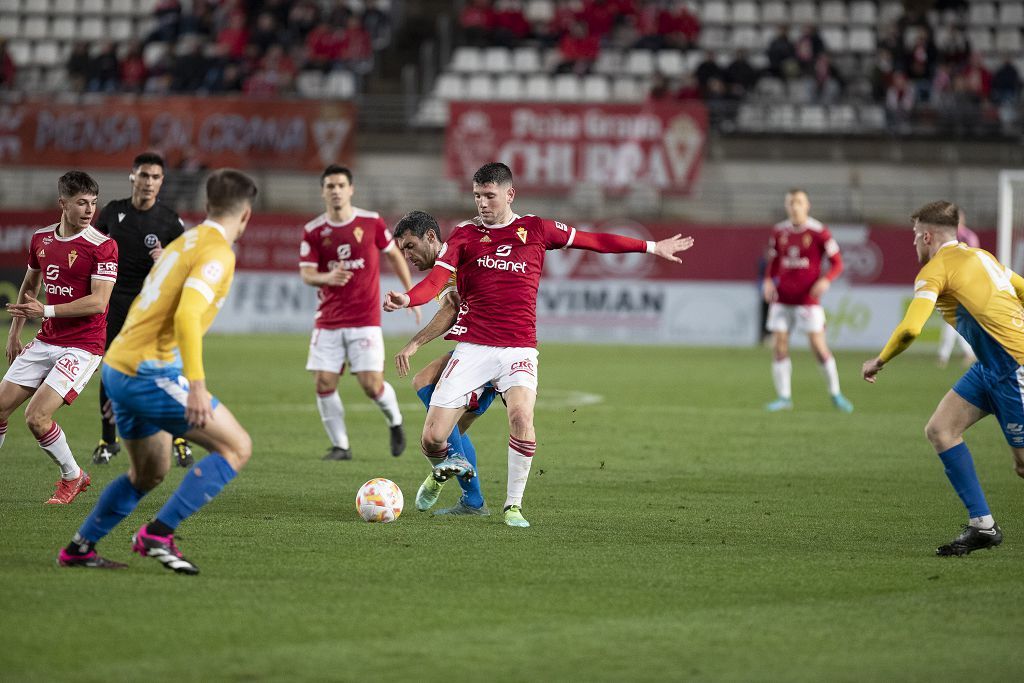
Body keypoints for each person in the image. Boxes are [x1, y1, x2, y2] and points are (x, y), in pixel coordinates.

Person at [383, 162, 694, 528]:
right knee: (433, 438)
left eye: (489, 195)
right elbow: (435, 282)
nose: (482, 203)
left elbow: (595, 241)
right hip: (473, 349)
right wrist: (407, 299)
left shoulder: (536, 229)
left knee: (521, 417)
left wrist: (651, 246)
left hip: (518, 348)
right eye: (477, 195)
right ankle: (452, 472)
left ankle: (512, 505)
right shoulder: (465, 235)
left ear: (509, 194)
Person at [57, 169, 258, 573]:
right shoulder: (217, 251)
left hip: (121, 366)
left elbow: (148, 301)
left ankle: (80, 548)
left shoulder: (187, 241)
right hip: (148, 371)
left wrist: (120, 382)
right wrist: (196, 387)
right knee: (236, 447)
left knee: (148, 473)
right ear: (247, 215)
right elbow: (186, 316)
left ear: (207, 206)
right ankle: (157, 534)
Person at [862, 200, 1024, 556]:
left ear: (927, 235)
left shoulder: (934, 271)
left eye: (915, 237)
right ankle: (982, 525)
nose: (914, 244)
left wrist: (880, 359)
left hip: (1014, 368)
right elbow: (1022, 288)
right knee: (940, 430)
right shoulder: (983, 257)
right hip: (990, 366)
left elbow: (910, 328)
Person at [1, 171, 117, 504]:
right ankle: (74, 476)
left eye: (93, 203)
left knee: (36, 417)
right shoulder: (41, 239)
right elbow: (30, 286)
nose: (89, 210)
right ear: (62, 203)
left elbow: (99, 302)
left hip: (84, 345)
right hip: (46, 340)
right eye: (81, 202)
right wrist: (13, 334)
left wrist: (46, 312)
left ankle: (73, 477)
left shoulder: (102, 245)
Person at [300, 165, 421, 461]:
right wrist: (328, 278)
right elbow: (306, 273)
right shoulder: (314, 230)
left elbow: (394, 255)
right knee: (324, 383)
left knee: (371, 384)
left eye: (341, 185)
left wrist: (412, 295)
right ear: (323, 191)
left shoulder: (372, 222)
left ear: (351, 189)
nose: (336, 191)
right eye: (330, 186)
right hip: (327, 321)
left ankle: (395, 422)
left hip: (364, 320)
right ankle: (341, 445)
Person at [391, 211, 498, 516]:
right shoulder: (443, 271)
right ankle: (471, 496)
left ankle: (454, 467)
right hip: (476, 346)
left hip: (491, 351)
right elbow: (452, 305)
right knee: (450, 427)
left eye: (410, 246)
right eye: (402, 250)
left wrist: (414, 343)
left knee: (432, 401)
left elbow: (451, 309)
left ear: (431, 237)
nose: (407, 255)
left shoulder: (456, 258)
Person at [92, 152, 191, 468]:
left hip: (152, 309)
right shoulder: (112, 212)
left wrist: (169, 262)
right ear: (133, 176)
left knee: (165, 372)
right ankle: (108, 440)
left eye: (156, 177)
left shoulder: (170, 221)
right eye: (144, 175)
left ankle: (179, 437)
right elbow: (90, 253)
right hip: (116, 304)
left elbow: (188, 268)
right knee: (109, 370)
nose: (149, 182)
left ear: (162, 182)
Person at [763, 188, 853, 413]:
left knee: (818, 346)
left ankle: (835, 394)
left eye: (799, 202)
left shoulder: (819, 232)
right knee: (780, 346)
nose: (794, 206)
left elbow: (837, 263)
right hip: (782, 299)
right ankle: (784, 398)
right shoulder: (779, 231)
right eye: (791, 202)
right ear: (787, 206)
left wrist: (826, 280)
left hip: (808, 300)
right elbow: (773, 261)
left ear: (807, 205)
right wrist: (767, 281)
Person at [937, 209, 979, 368]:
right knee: (955, 319)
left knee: (953, 319)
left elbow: (973, 260)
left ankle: (945, 355)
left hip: (965, 284)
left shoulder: (968, 237)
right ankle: (965, 353)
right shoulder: (947, 237)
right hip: (951, 284)